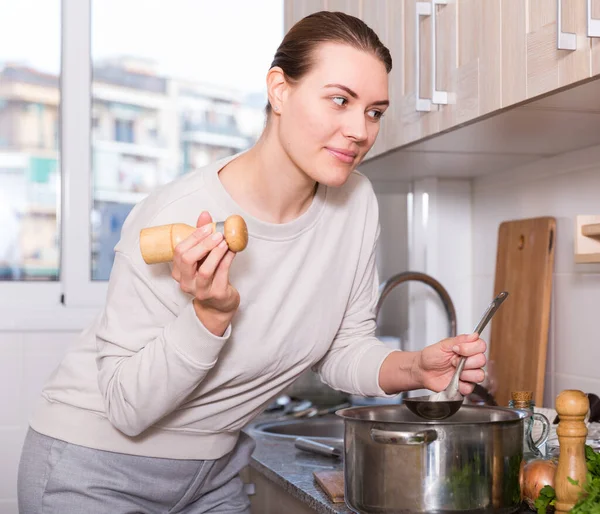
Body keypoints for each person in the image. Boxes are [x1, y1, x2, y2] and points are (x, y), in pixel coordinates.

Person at [17, 10, 487, 514]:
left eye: (374, 111)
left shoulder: (356, 203)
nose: (358, 130)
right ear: (279, 90)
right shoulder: (173, 216)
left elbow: (343, 351)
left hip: (214, 473)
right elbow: (127, 409)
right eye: (339, 100)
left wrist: (415, 366)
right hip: (93, 470)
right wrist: (209, 317)